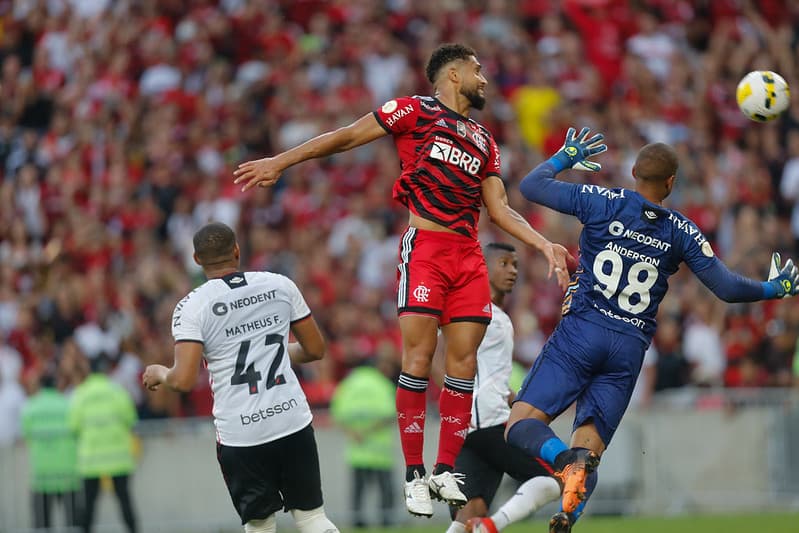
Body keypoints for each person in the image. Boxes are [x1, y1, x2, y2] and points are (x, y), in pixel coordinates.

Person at [234, 42, 571, 518]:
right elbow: (347, 136)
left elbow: (498, 209)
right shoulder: (413, 110)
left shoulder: (484, 139)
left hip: (468, 254)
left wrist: (542, 243)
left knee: (463, 364)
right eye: (477, 70)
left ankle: (444, 469)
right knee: (417, 354)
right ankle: (414, 475)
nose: (484, 79)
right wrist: (280, 162)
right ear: (452, 74)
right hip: (427, 248)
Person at [507, 129, 799, 533]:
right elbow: (728, 289)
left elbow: (531, 185)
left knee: (520, 423)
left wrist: (565, 157)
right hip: (627, 348)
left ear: (633, 172)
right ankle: (566, 516)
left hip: (583, 330)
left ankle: (561, 463)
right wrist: (774, 287)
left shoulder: (603, 200)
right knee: (589, 448)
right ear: (671, 182)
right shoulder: (682, 230)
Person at [141, 222, 340, 533]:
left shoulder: (192, 306)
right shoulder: (279, 285)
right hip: (291, 420)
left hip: (242, 433)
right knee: (313, 518)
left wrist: (159, 373)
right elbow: (315, 349)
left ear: (196, 259)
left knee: (260, 527)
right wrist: (266, 347)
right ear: (236, 250)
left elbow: (182, 380)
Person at [444, 242, 560, 533]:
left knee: (469, 514)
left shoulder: (498, 316)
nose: (512, 271)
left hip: (470, 426)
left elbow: (486, 370)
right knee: (553, 478)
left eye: (516, 265)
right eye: (504, 263)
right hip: (486, 421)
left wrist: (509, 396)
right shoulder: (471, 309)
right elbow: (439, 355)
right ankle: (493, 526)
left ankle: (483, 524)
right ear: (482, 268)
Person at [68, 353, 139, 533]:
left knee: (89, 506)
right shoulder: (117, 391)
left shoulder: (81, 393)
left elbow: (73, 425)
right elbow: (131, 419)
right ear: (106, 370)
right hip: (118, 457)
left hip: (91, 459)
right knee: (125, 502)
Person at [329, 350, 398, 528]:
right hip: (380, 451)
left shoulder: (347, 385)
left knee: (358, 490)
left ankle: (357, 521)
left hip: (357, 450)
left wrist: (354, 432)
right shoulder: (382, 384)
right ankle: (386, 521)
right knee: (385, 489)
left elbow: (336, 414)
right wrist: (368, 431)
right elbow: (390, 414)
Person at [20, 372, 80, 530]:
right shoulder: (67, 404)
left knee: (42, 523)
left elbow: (26, 432)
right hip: (67, 472)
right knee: (73, 523)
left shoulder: (31, 406)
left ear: (40, 385)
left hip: (42, 474)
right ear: (56, 385)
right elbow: (76, 429)